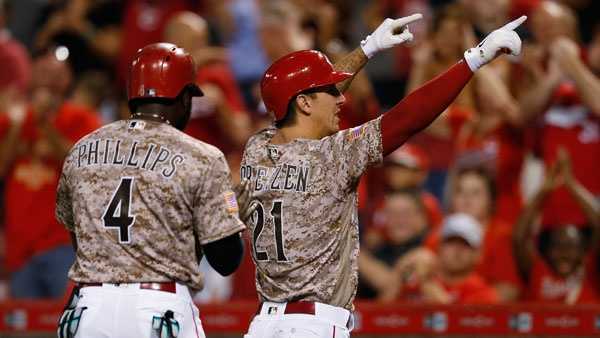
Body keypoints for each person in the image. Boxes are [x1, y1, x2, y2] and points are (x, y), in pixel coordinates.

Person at [241, 12, 527, 338]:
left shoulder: (257, 150)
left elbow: (297, 101)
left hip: (264, 323)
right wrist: (474, 59)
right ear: (305, 104)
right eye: (331, 92)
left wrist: (368, 49)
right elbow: (406, 119)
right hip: (313, 325)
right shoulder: (332, 156)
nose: (341, 97)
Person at [55, 43, 250, 338]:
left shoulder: (82, 148)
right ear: (184, 98)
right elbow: (225, 261)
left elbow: (78, 239)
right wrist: (232, 214)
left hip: (89, 307)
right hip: (158, 307)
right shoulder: (201, 156)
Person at [0, 49, 101, 299]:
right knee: (24, 329)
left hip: (63, 243)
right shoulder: (12, 119)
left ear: (67, 80)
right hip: (20, 248)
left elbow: (84, 166)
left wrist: (45, 125)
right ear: (31, 76)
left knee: (69, 320)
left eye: (55, 74)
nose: (47, 79)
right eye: (42, 72)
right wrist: (17, 126)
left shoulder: (81, 118)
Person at [513, 149, 600, 304]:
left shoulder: (591, 272)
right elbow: (519, 237)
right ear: (547, 250)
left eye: (571, 246)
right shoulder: (538, 272)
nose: (564, 253)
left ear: (583, 251)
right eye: (557, 246)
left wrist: (572, 185)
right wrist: (544, 190)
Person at [399, 213, 499, 304]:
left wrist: (427, 283)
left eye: (465, 244)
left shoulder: (484, 294)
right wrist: (403, 264)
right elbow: (387, 308)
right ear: (439, 247)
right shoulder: (414, 282)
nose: (457, 250)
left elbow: (455, 320)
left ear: (477, 254)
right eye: (451, 242)